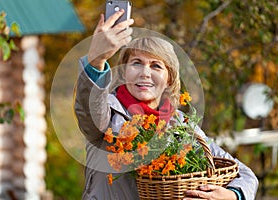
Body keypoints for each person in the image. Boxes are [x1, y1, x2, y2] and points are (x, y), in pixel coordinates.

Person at [74, 9, 258, 200]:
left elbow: (245, 175)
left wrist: (232, 195)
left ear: (169, 79)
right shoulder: (108, 114)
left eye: (156, 66)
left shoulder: (181, 125)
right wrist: (97, 61)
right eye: (136, 63)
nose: (145, 73)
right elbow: (88, 108)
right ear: (124, 72)